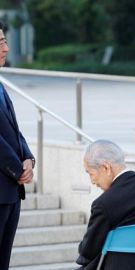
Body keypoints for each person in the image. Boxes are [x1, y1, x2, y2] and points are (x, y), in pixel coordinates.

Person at [76, 140, 135, 270]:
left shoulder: (104, 203)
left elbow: (88, 251)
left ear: (106, 167)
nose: (92, 181)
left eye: (91, 174)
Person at [0, 22, 35, 270]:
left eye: (4, 41)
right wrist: (17, 168)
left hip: (10, 192)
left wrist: (28, 159)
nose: (6, 48)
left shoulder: (1, 85)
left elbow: (13, 131)